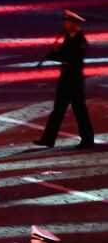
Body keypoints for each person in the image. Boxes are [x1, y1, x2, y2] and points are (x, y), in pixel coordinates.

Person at [33, 10, 95, 149]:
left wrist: (57, 51)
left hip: (75, 81)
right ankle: (48, 139)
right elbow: (63, 56)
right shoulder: (69, 37)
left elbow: (71, 57)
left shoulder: (80, 40)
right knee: (58, 110)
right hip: (65, 79)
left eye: (68, 22)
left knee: (80, 110)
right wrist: (53, 53)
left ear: (74, 24)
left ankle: (87, 140)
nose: (65, 24)